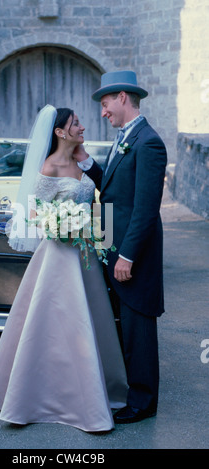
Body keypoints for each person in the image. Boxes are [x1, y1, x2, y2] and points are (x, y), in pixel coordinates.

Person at [0, 105, 128, 432]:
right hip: (59, 256)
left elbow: (102, 196)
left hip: (84, 255)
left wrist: (89, 229)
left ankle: (96, 391)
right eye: (76, 124)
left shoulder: (80, 162)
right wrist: (62, 226)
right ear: (60, 132)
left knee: (90, 320)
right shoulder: (50, 167)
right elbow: (35, 215)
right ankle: (42, 397)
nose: (83, 126)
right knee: (57, 323)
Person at [74, 71, 167, 424]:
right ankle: (130, 391)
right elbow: (113, 190)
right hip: (114, 244)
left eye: (105, 103)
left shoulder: (148, 142)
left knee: (138, 325)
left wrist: (126, 255)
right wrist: (85, 161)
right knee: (124, 325)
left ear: (123, 97)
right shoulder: (125, 138)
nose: (103, 112)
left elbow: (145, 209)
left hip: (133, 252)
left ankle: (143, 403)